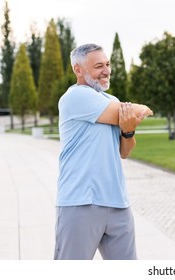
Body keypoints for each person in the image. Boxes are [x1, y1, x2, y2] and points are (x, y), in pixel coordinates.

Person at [55, 43, 153, 260]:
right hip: (81, 202)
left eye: (107, 64)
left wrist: (128, 132)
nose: (107, 70)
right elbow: (138, 110)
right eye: (99, 66)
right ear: (78, 70)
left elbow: (125, 151)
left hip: (118, 203)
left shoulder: (112, 101)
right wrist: (139, 110)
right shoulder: (75, 97)